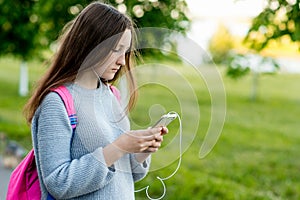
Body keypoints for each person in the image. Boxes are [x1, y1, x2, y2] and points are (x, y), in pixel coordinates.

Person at [24, 2, 168, 199]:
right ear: (90, 45)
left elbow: (124, 172)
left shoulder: (111, 95)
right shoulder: (57, 102)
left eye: (125, 52)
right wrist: (119, 146)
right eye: (116, 49)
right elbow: (57, 182)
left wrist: (142, 149)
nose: (122, 61)